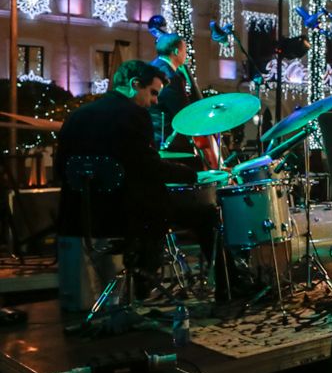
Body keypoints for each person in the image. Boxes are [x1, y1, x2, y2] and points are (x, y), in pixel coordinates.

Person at [56, 61, 227, 306]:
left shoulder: (77, 116)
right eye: (153, 92)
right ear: (135, 85)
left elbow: (63, 169)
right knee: (208, 215)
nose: (156, 101)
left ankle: (143, 281)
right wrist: (192, 174)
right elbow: (149, 168)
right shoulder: (133, 115)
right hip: (125, 217)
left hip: (81, 216)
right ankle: (227, 288)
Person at [148, 33, 214, 165]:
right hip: (169, 140)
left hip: (153, 135)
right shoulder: (171, 77)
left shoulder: (152, 67)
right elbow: (183, 113)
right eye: (185, 50)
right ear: (176, 51)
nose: (186, 54)